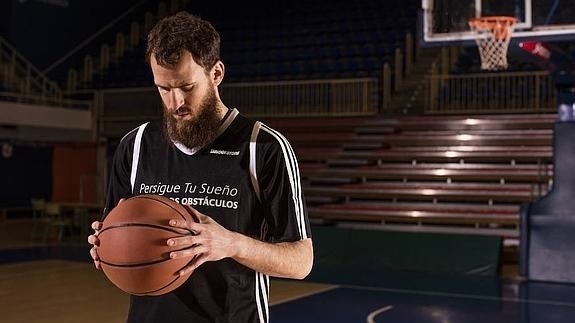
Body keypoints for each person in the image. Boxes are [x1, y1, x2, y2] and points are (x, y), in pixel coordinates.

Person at [87, 11, 313, 323]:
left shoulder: (263, 147)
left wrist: (231, 243)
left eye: (186, 86)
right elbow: (121, 236)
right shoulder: (135, 145)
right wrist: (106, 245)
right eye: (163, 89)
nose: (174, 101)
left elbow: (302, 262)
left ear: (216, 73)